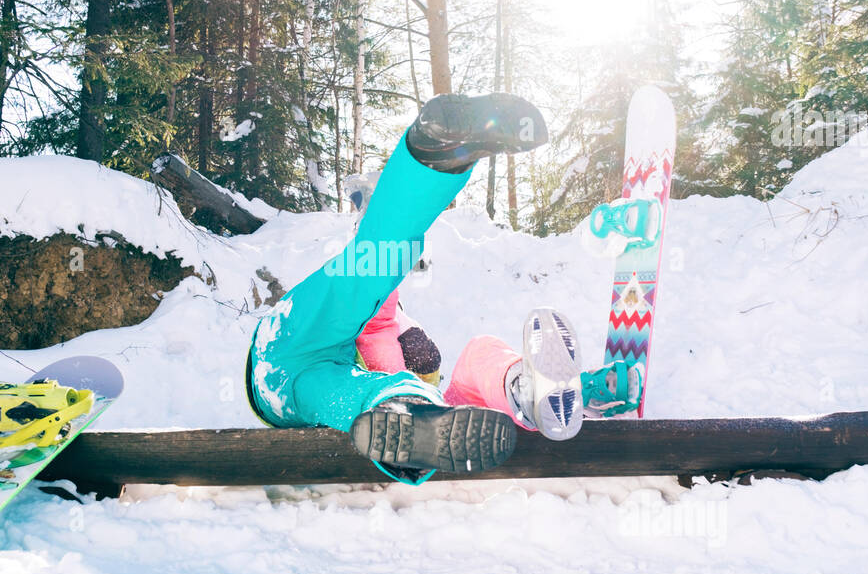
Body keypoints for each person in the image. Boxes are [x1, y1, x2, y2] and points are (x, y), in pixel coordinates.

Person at [244, 93, 640, 484]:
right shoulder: (380, 354)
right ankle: (433, 154)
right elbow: (377, 305)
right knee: (369, 276)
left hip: (393, 402)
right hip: (291, 370)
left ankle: (525, 388)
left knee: (473, 351)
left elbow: (386, 329)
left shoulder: (416, 386)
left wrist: (583, 391)